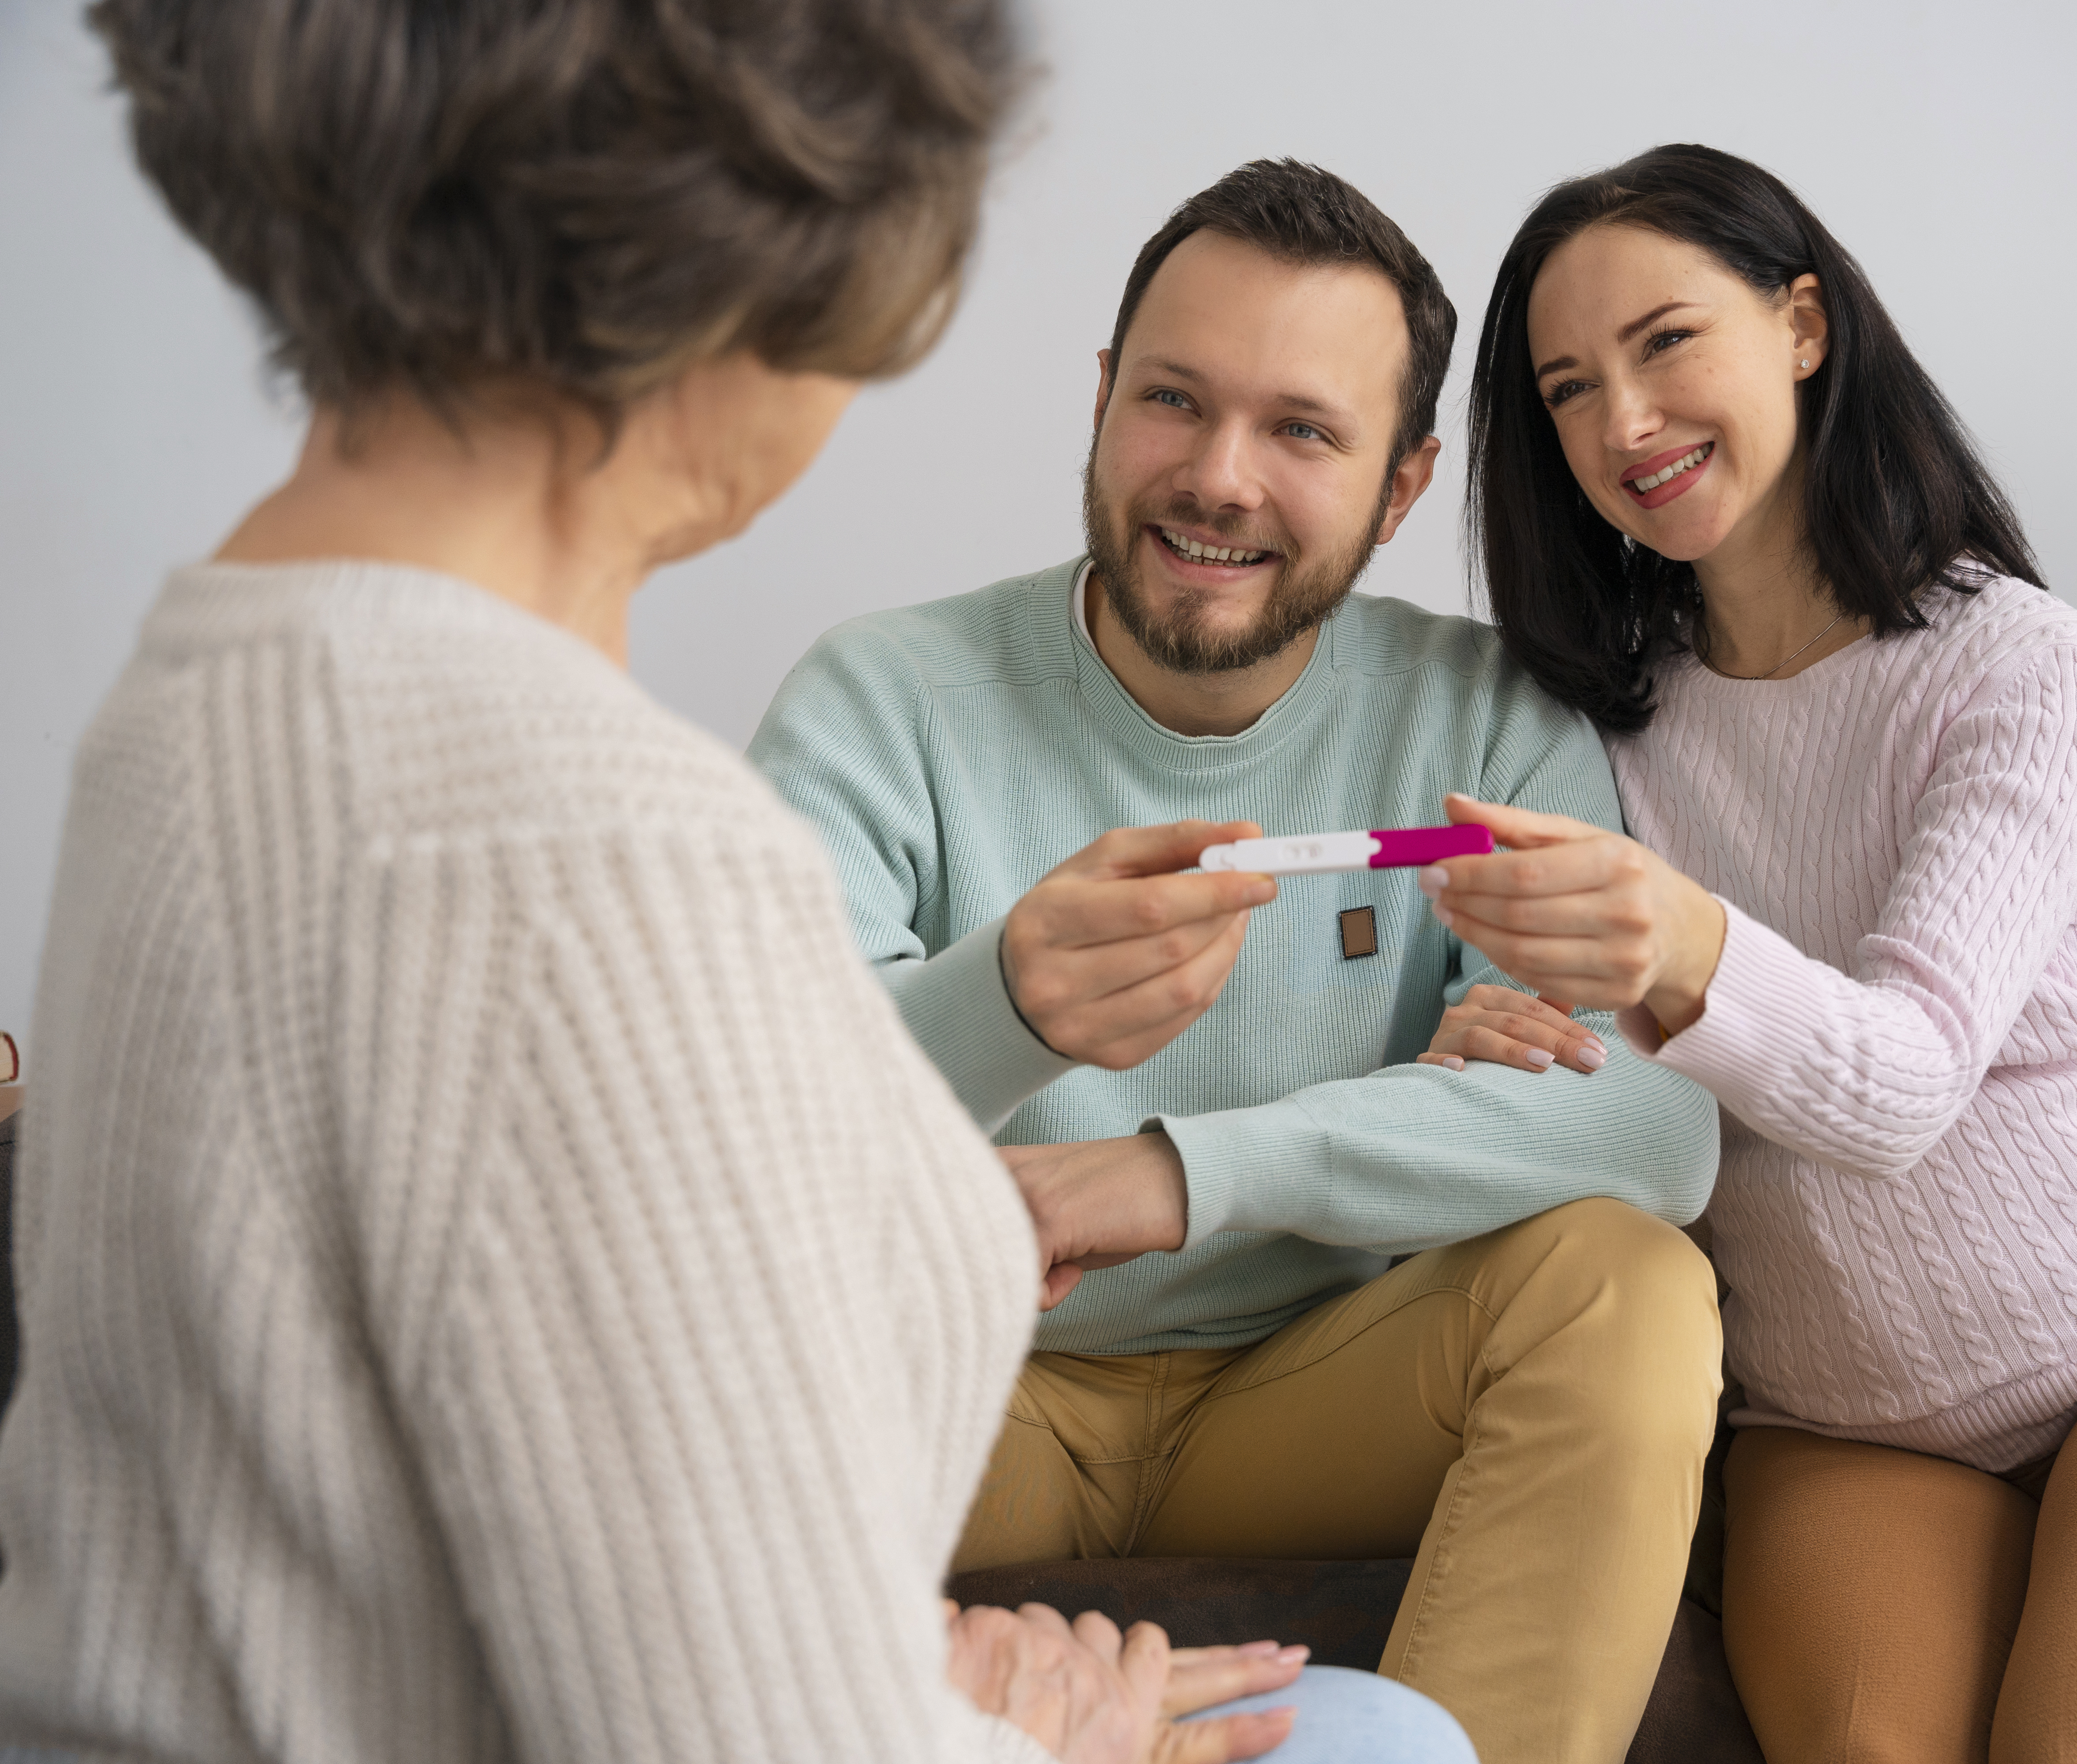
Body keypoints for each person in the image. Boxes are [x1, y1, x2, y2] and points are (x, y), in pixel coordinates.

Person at [0, 4, 1472, 1760]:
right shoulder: (588, 857)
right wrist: (1055, 1732)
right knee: (1394, 1743)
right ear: (755, 269)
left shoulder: (191, 693)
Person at [1418, 143, 2077, 1763]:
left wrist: (1679, 939)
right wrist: (1496, 1054)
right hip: (1842, 1422)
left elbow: (1902, 1080)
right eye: (1570, 390)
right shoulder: (1599, 735)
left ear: (1803, 325)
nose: (1625, 426)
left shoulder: (2016, 661)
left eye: (1668, 344)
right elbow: (1629, 1089)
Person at [745, 159, 1725, 1764]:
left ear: (1405, 488)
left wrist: (1167, 1173)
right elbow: (730, 1137)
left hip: (1325, 1382)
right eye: (1174, 401)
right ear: (1102, 404)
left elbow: (1651, 1128)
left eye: (1302, 431)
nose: (1217, 478)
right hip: (961, 1384)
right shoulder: (884, 700)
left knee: (1629, 1285)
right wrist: (998, 1009)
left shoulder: (1486, 725)